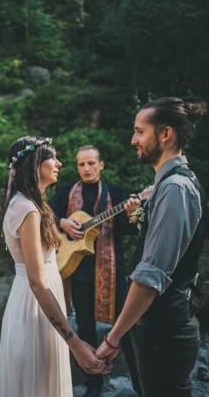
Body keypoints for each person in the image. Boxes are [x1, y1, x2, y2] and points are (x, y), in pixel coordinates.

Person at [96, 97, 207, 397]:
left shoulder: (174, 188)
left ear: (165, 134)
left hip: (165, 331)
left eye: (139, 131)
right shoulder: (168, 183)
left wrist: (113, 338)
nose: (133, 139)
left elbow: (151, 275)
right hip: (154, 326)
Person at [0, 136, 109, 397]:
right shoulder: (28, 210)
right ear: (36, 164)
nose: (59, 163)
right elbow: (37, 281)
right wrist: (76, 343)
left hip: (35, 302)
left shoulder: (28, 204)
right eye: (53, 158)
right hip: (35, 306)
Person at [49, 145, 143, 397]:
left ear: (101, 165)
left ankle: (140, 385)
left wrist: (134, 214)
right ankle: (94, 385)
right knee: (86, 329)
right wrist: (63, 222)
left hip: (113, 274)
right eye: (81, 164)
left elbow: (130, 229)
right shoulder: (66, 192)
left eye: (91, 163)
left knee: (126, 330)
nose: (87, 168)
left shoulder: (116, 192)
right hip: (79, 274)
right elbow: (45, 212)